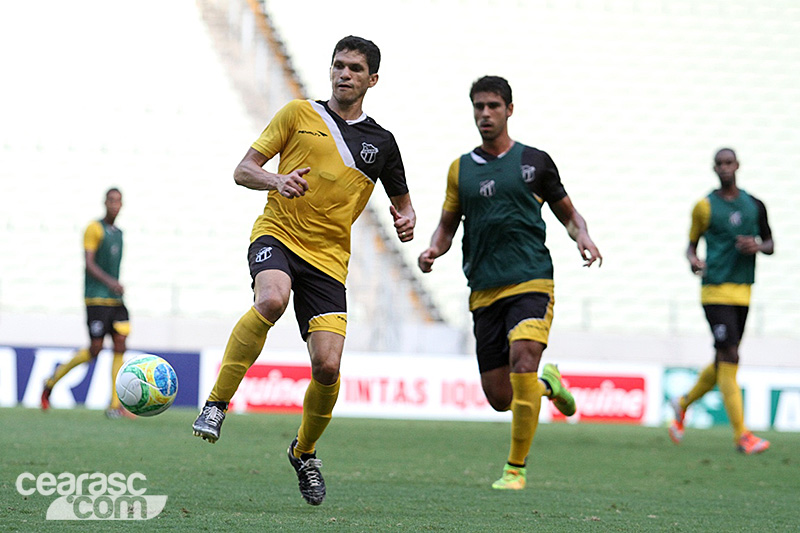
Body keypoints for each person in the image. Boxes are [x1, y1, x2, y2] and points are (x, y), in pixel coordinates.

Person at [191, 35, 416, 506]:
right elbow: (243, 169)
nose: (344, 74)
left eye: (355, 68)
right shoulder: (298, 114)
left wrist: (406, 218)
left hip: (329, 260)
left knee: (328, 366)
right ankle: (216, 403)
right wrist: (277, 179)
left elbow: (402, 201)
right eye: (338, 66)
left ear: (372, 79)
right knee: (271, 299)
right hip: (277, 232)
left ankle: (304, 452)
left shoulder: (383, 144)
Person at [418, 76, 602, 490]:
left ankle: (515, 469)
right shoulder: (460, 170)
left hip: (531, 279)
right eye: (479, 107)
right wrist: (433, 250)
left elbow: (569, 214)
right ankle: (548, 384)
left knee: (523, 358)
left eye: (493, 106)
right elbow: (447, 226)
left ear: (509, 110)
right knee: (501, 397)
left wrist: (583, 237)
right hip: (483, 288)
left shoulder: (535, 162)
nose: (485, 114)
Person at [669, 148, 773, 455]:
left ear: (737, 165)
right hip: (714, 291)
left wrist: (756, 245)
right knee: (730, 356)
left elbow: (770, 243)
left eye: (729, 163)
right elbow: (690, 247)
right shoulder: (704, 206)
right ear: (714, 168)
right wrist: (694, 261)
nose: (725, 168)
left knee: (723, 359)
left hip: (743, 292)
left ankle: (682, 403)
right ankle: (742, 435)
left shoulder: (755, 205)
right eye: (720, 164)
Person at [41, 188, 133, 419]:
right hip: (96, 298)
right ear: (105, 203)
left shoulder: (119, 233)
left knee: (121, 343)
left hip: (115, 299)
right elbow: (88, 264)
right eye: (111, 200)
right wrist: (111, 282)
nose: (114, 205)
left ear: (122, 205)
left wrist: (115, 286)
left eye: (118, 201)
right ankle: (51, 381)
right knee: (95, 349)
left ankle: (115, 405)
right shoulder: (94, 228)